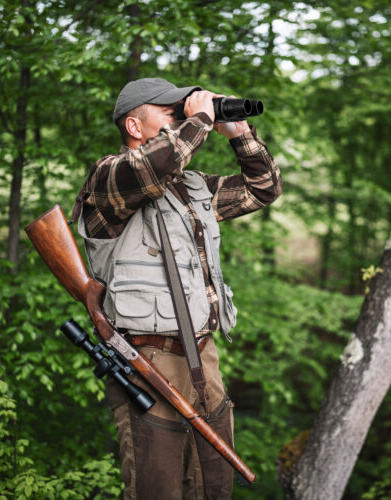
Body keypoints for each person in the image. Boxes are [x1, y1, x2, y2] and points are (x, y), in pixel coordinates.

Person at [72, 77, 282, 499]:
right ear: (134, 126)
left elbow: (263, 188)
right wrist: (201, 117)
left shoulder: (192, 186)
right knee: (158, 490)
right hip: (149, 363)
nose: (180, 114)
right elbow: (152, 167)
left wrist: (241, 135)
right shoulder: (109, 178)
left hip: (205, 360)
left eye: (181, 110)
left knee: (214, 488)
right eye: (169, 111)